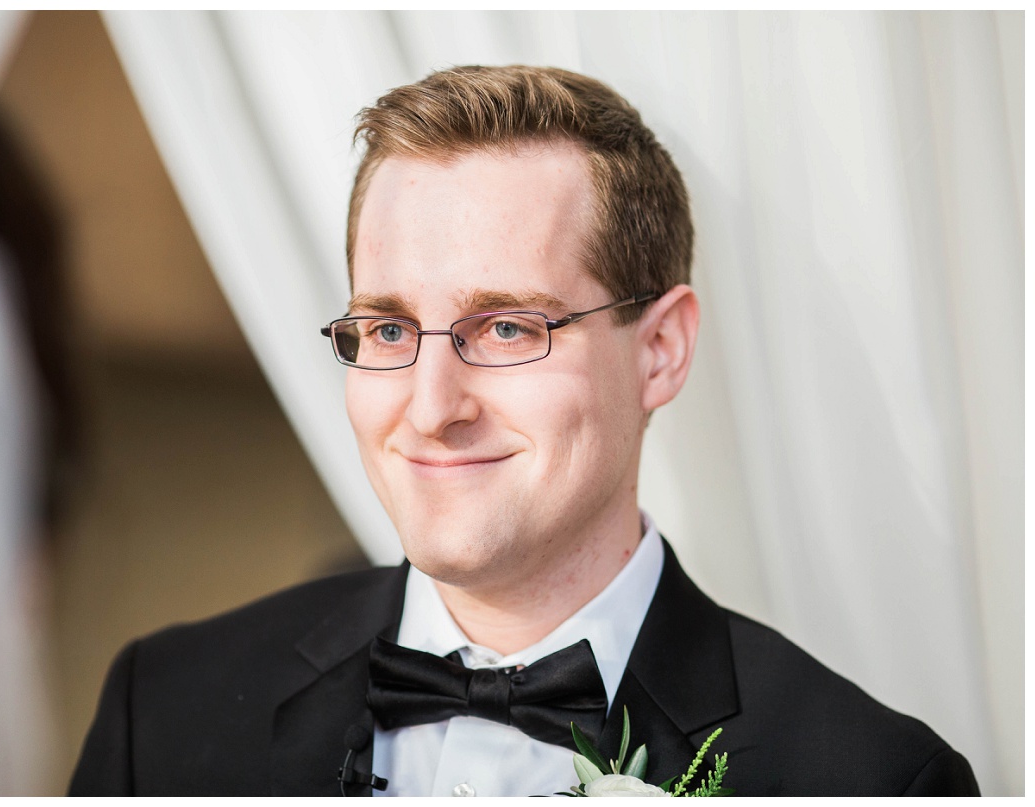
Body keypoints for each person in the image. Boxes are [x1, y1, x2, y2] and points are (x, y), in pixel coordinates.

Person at [69, 65, 978, 797]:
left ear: (660, 350)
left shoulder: (870, 780)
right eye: (388, 329)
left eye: (507, 328)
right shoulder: (165, 713)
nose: (432, 407)